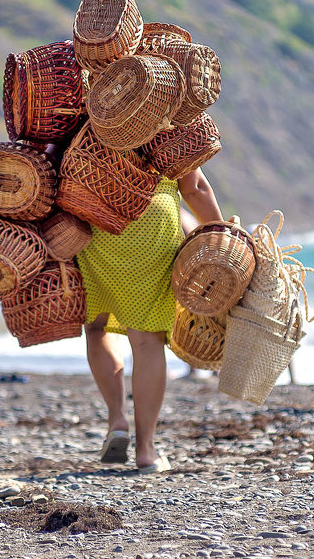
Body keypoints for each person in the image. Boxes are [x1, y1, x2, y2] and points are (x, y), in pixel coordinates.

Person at [76, 167, 223, 473]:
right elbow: (193, 187)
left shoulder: (82, 115)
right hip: (151, 221)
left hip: (93, 216)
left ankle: (116, 419)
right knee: (146, 339)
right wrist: (219, 234)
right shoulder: (165, 117)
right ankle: (146, 450)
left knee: (97, 327)